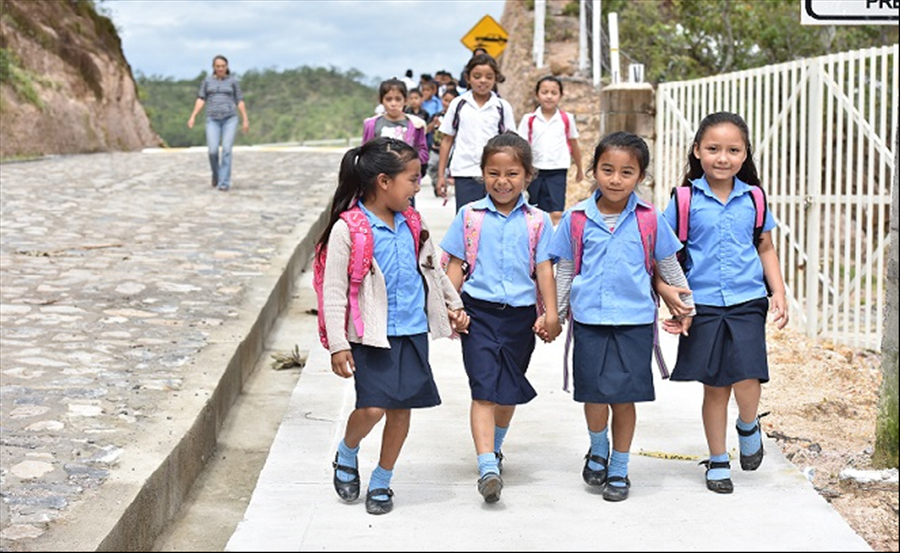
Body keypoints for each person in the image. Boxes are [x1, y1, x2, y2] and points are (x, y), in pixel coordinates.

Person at [319, 137, 470, 515]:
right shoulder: (348, 229)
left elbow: (433, 271)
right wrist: (338, 344)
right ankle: (347, 450)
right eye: (413, 179)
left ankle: (383, 479)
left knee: (402, 412)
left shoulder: (413, 223)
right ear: (384, 181)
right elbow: (334, 291)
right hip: (372, 337)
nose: (418, 187)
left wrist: (454, 305)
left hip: (413, 332)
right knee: (372, 409)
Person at [548, 131, 693, 502]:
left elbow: (668, 265)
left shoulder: (650, 219)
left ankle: (620, 467)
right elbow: (565, 267)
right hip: (590, 322)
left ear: (640, 177)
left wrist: (686, 307)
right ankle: (599, 447)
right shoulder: (576, 218)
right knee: (594, 396)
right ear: (594, 170)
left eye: (626, 172)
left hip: (635, 322)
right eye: (607, 169)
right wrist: (557, 313)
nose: (615, 179)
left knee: (624, 399)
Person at [657, 111, 789, 495]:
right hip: (704, 304)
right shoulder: (684, 200)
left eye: (733, 150)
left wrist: (777, 291)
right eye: (713, 148)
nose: (722, 157)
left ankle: (748, 423)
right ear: (697, 151)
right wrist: (670, 295)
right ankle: (717, 459)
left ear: (745, 155)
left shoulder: (755, 198)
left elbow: (765, 245)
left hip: (748, 299)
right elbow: (664, 253)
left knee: (748, 376)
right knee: (715, 386)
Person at [440, 132, 560, 504]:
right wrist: (451, 306)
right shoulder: (470, 216)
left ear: (528, 176)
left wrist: (552, 314)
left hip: (520, 319)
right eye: (493, 173)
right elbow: (456, 267)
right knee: (483, 389)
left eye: (511, 174)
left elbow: (543, 270)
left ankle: (496, 447)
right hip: (478, 315)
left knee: (507, 391)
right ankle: (486, 465)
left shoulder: (539, 221)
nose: (502, 182)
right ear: (482, 174)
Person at [436, 53, 516, 212]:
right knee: (468, 220)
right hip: (465, 172)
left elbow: (511, 144)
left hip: (495, 174)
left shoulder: (501, 107)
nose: (483, 81)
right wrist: (441, 176)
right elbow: (447, 141)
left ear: (495, 79)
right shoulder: (458, 104)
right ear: (468, 78)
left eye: (489, 76)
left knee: (495, 217)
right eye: (477, 76)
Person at [517, 76, 583, 226]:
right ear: (537, 94)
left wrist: (580, 168)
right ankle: (537, 241)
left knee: (557, 211)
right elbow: (520, 147)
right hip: (535, 170)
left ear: (561, 95)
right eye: (544, 92)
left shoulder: (566, 118)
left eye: (554, 92)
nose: (549, 96)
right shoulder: (529, 119)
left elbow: (574, 143)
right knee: (535, 209)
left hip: (558, 169)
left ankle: (552, 243)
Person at [187, 55, 249, 192]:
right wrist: (193, 116)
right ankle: (216, 174)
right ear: (214, 67)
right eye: (218, 66)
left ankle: (224, 183)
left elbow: (239, 100)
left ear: (226, 67)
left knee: (226, 150)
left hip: (229, 119)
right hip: (212, 120)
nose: (220, 69)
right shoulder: (207, 81)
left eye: (223, 66)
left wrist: (245, 119)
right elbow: (201, 98)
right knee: (213, 151)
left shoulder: (233, 81)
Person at [362, 79, 430, 203]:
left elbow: (424, 153)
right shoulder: (372, 124)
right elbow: (365, 153)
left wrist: (407, 159)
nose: (393, 104)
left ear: (406, 100)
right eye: (388, 99)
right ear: (381, 100)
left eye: (398, 99)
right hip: (380, 184)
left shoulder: (416, 125)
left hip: (406, 184)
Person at [426, 88, 460, 192]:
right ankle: (436, 181)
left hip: (449, 149)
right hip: (435, 148)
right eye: (445, 100)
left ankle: (443, 185)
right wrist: (433, 124)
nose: (447, 104)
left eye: (451, 101)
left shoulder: (456, 117)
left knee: (445, 168)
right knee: (431, 167)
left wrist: (442, 126)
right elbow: (427, 129)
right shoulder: (436, 116)